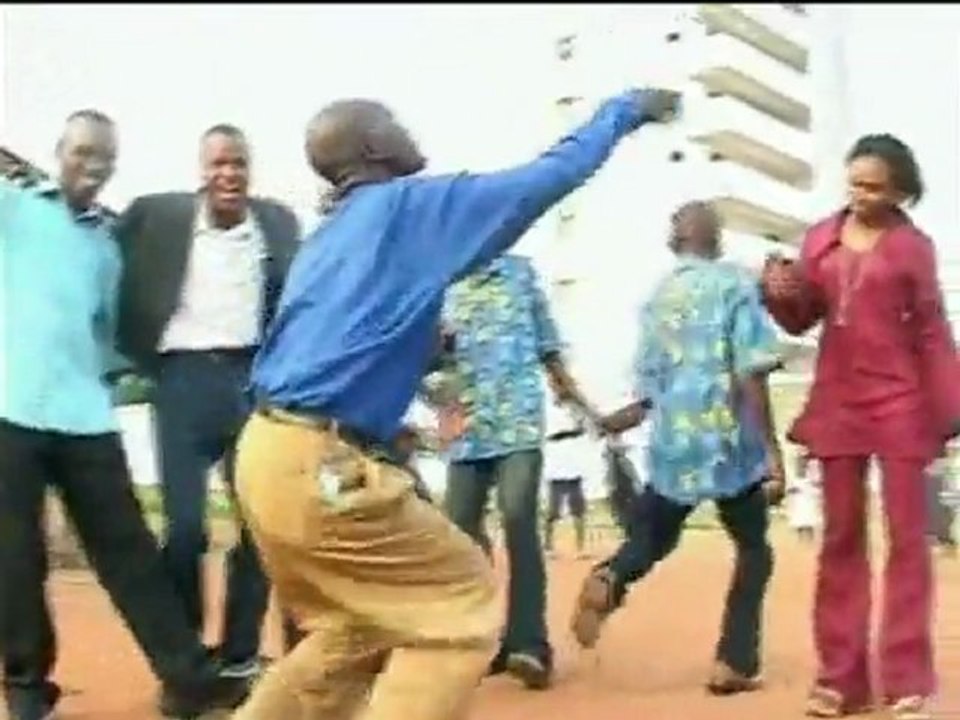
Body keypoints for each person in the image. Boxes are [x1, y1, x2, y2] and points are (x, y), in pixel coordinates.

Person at [230, 88, 680, 720]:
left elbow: (321, 350)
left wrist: (407, 384)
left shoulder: (330, 237)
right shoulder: (408, 207)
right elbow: (548, 177)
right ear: (372, 147)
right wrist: (624, 111)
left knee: (358, 628)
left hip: (265, 455)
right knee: (459, 601)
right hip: (321, 464)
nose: (406, 129)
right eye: (393, 121)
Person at [0, 110, 248, 720]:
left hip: (86, 415)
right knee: (15, 557)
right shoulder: (14, 210)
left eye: (104, 157)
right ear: (59, 152)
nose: (93, 166)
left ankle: (189, 679)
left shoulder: (108, 246)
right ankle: (28, 688)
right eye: (82, 152)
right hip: (10, 411)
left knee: (131, 555)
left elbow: (113, 334)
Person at [762, 134, 960, 720]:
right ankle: (840, 680)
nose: (861, 196)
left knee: (907, 541)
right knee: (841, 540)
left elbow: (931, 330)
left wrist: (949, 409)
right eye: (854, 184)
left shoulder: (913, 248)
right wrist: (777, 294)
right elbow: (801, 319)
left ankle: (906, 679)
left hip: (900, 401)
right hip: (839, 401)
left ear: (900, 191)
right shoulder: (820, 238)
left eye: (874, 187)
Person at [571, 201, 785, 696]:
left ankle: (613, 574)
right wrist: (771, 451)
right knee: (754, 548)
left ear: (676, 240)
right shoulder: (735, 286)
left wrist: (616, 420)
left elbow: (649, 387)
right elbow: (751, 372)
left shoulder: (658, 298)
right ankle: (733, 662)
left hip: (673, 444)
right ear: (718, 238)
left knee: (654, 538)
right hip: (729, 443)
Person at [114, 124, 301, 678]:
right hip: (181, 381)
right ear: (201, 170)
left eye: (238, 163)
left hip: (250, 381)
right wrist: (130, 350)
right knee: (185, 529)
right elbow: (110, 250)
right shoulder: (159, 215)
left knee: (259, 526)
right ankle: (186, 661)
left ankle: (241, 654)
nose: (229, 174)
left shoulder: (276, 223)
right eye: (218, 163)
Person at [440, 251, 599, 689]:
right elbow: (424, 359)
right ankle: (478, 638)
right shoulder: (441, 276)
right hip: (465, 427)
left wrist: (580, 403)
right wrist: (436, 395)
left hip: (518, 424)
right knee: (459, 531)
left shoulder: (520, 273)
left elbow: (548, 347)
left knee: (518, 518)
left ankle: (529, 644)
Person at [543, 404, 592, 558]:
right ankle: (548, 547)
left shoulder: (575, 410)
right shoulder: (549, 412)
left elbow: (583, 428)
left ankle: (580, 548)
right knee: (552, 512)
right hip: (556, 472)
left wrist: (579, 423)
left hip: (573, 471)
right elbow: (552, 435)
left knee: (578, 512)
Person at [787, 452, 822, 543]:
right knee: (799, 521)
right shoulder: (793, 475)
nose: (801, 463)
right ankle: (801, 540)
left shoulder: (813, 473)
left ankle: (809, 540)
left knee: (809, 520)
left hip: (809, 501)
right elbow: (790, 489)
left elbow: (818, 485)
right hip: (799, 502)